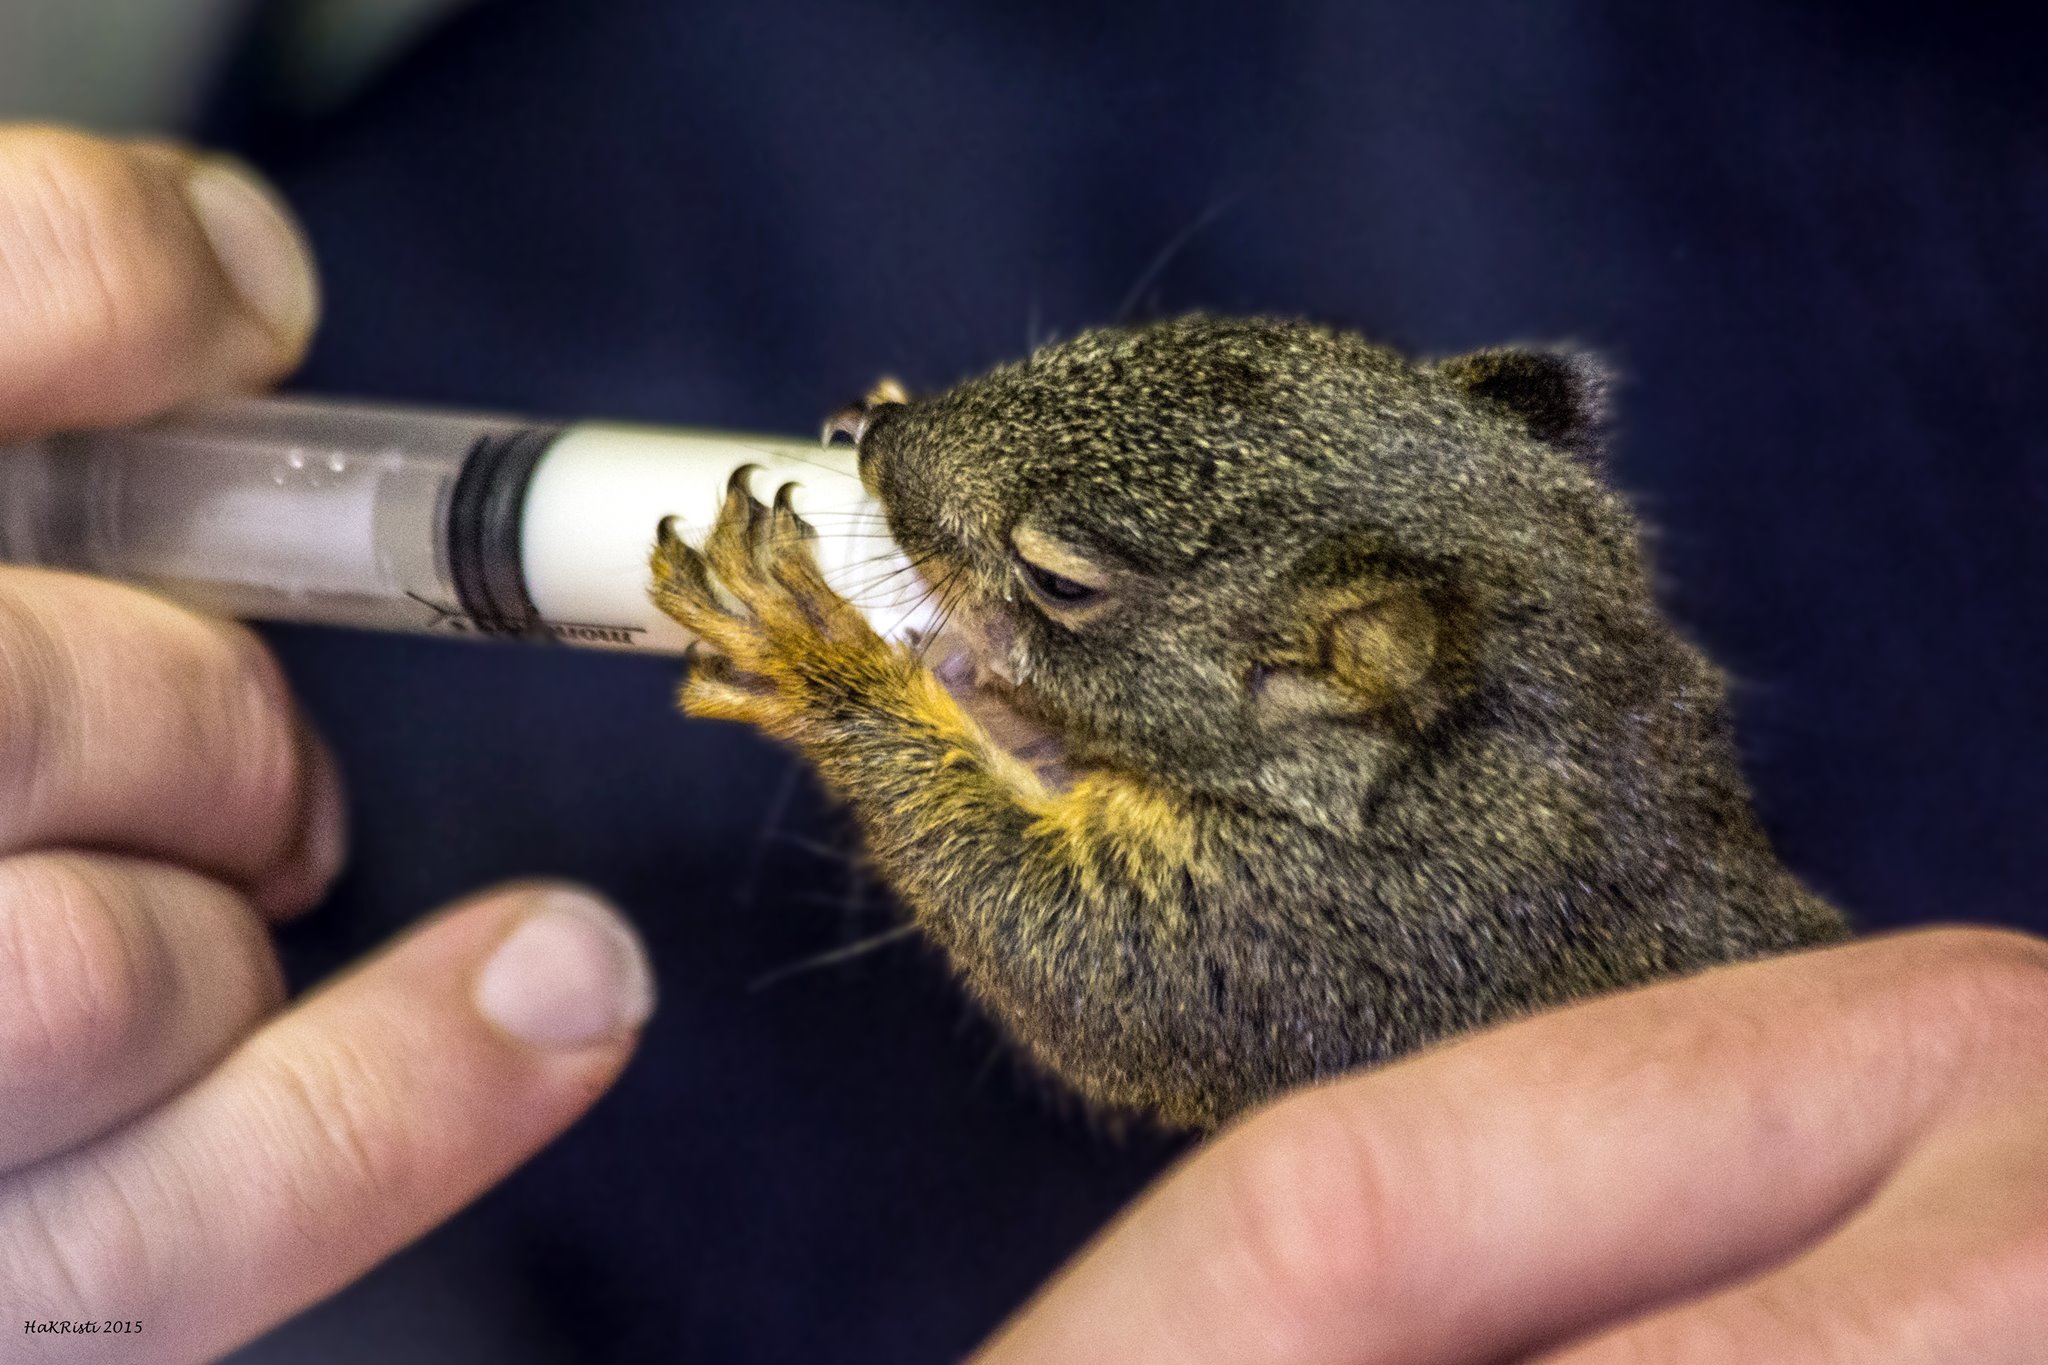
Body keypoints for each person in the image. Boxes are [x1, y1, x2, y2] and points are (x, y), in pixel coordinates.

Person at [2, 121, 2045, 1364]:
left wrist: (862, 701)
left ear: (1347, 672)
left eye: (1057, 576)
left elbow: (1110, 967)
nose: (904, 472)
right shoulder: (1417, 692)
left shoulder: (1386, 880)